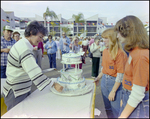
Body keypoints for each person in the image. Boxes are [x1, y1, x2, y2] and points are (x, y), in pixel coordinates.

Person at [2, 21, 63, 111]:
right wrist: (53, 84)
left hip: (21, 90)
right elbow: (34, 73)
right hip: (16, 93)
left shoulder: (23, 44)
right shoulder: (24, 48)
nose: (41, 40)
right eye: (40, 37)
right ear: (31, 33)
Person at [114, 15, 149, 118]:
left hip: (136, 104)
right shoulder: (134, 52)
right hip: (129, 97)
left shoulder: (140, 55)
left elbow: (138, 92)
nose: (117, 36)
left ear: (129, 32)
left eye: (119, 32)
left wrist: (123, 115)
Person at [94, 28, 128, 118]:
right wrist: (98, 77)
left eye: (106, 38)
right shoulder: (105, 51)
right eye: (103, 38)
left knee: (116, 110)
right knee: (108, 109)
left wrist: (113, 91)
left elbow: (120, 75)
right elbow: (104, 68)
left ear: (112, 38)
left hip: (115, 83)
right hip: (104, 81)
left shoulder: (120, 53)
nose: (103, 41)